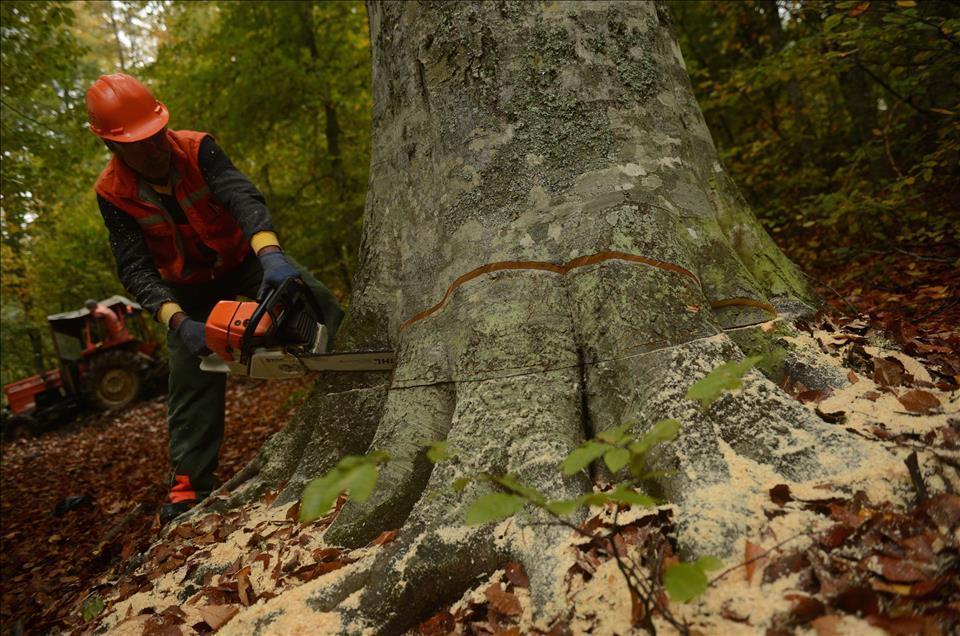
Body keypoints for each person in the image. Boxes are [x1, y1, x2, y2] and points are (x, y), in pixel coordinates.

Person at [85, 73, 344, 524]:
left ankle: (357, 369)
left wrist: (272, 258)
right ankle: (190, 483)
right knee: (190, 373)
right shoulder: (113, 194)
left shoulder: (197, 148)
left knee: (313, 295)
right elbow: (135, 268)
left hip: (243, 258)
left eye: (156, 134)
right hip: (186, 287)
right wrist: (180, 322)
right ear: (113, 146)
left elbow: (242, 197)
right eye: (140, 142)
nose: (154, 146)